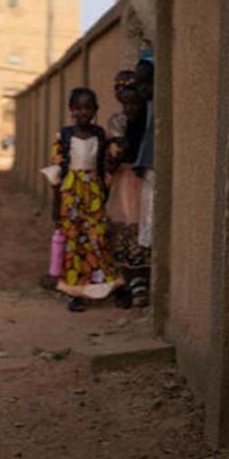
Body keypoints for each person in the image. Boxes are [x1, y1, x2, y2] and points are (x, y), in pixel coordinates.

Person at [41, 87, 122, 312]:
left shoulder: (99, 135)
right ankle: (75, 291)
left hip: (93, 194)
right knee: (73, 242)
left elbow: (105, 167)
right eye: (78, 108)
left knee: (97, 238)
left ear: (95, 110)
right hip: (70, 195)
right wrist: (56, 206)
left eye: (87, 108)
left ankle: (103, 285)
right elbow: (57, 172)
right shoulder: (64, 136)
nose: (82, 112)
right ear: (71, 110)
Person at [105, 81, 151, 307]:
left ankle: (140, 282)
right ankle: (128, 282)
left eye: (136, 104)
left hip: (142, 183)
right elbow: (111, 162)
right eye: (127, 104)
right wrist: (115, 156)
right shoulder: (118, 126)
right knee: (124, 228)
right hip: (123, 184)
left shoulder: (147, 127)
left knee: (138, 228)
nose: (131, 108)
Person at [133, 58, 156, 252]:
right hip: (147, 166)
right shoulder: (144, 108)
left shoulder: (156, 107)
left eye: (148, 83)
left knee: (151, 212)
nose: (143, 89)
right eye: (139, 85)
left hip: (154, 166)